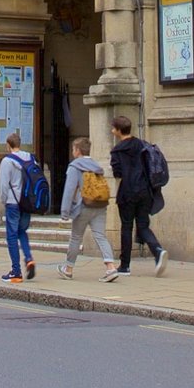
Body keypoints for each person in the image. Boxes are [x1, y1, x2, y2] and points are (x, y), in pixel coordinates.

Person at [108, 115, 168, 275]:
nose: (112, 130)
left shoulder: (117, 150)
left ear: (119, 131)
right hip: (145, 191)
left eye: (113, 128)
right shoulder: (142, 145)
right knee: (143, 225)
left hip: (127, 192)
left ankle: (125, 265)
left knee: (126, 227)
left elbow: (118, 173)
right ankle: (157, 250)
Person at [58, 136, 119, 281]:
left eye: (73, 149)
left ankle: (68, 268)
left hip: (82, 207)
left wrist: (65, 212)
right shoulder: (96, 166)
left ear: (77, 151)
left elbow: (69, 190)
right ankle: (111, 267)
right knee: (100, 236)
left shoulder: (75, 166)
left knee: (76, 238)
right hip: (99, 205)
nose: (73, 151)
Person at [0, 132, 39, 283]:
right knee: (22, 231)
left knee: (12, 235)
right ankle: (29, 258)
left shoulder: (7, 161)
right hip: (27, 202)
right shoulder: (31, 158)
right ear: (19, 144)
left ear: (8, 145)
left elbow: (3, 185)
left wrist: (3, 200)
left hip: (13, 202)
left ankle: (16, 271)